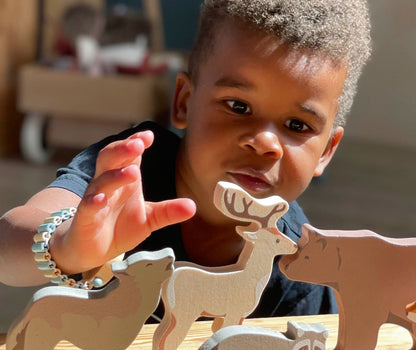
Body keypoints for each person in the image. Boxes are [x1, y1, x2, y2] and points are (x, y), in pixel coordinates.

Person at [0, 0, 372, 319]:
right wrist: (66, 245)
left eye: (297, 125)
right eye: (238, 106)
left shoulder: (299, 265)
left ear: (325, 151)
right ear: (183, 103)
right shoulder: (128, 171)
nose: (265, 143)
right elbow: (8, 246)